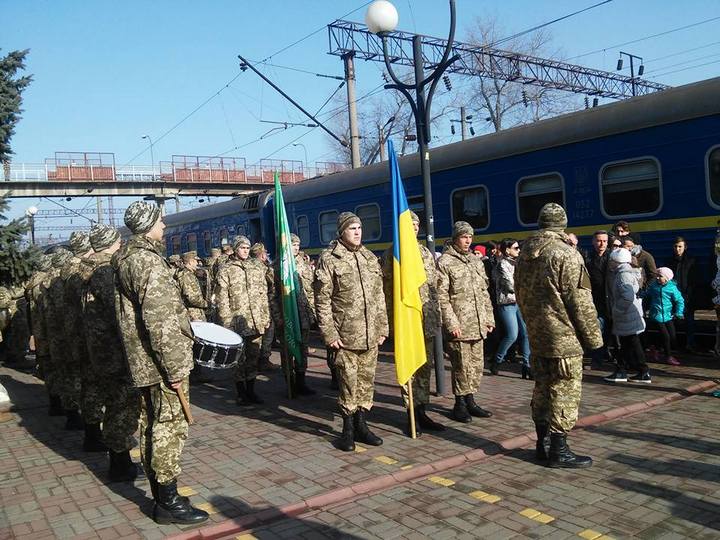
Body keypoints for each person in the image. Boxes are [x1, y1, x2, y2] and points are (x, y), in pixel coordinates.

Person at [114, 201, 208, 525]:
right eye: (160, 221)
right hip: (161, 364)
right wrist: (175, 370)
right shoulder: (148, 263)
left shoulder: (126, 258)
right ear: (148, 224)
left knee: (152, 427)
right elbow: (161, 321)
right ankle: (168, 504)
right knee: (169, 429)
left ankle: (163, 495)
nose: (165, 226)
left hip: (144, 363)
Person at [515, 203, 602, 468]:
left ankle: (541, 444)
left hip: (537, 336)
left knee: (542, 389)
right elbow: (580, 302)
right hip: (563, 338)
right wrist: (594, 340)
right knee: (564, 391)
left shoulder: (525, 254)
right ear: (562, 224)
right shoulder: (565, 254)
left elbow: (520, 295)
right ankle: (559, 450)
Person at [315, 212, 388, 452]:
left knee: (366, 383)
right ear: (341, 232)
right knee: (348, 382)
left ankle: (362, 426)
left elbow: (379, 296)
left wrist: (383, 326)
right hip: (345, 335)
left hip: (370, 334)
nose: (357, 232)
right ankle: (347, 429)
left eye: (359, 227)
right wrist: (329, 334)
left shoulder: (369, 257)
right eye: (352, 228)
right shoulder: (330, 259)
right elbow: (322, 300)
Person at [84, 224, 140, 480]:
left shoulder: (86, 269)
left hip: (98, 349)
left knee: (113, 402)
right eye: (118, 241)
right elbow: (119, 313)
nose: (121, 244)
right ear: (110, 242)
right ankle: (120, 462)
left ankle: (119, 457)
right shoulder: (106, 272)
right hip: (113, 352)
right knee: (121, 406)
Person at [381, 211, 445, 435]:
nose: (415, 228)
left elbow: (433, 286)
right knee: (410, 367)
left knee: (424, 367)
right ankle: (410, 413)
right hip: (406, 319)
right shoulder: (393, 253)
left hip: (425, 318)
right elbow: (388, 290)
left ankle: (421, 410)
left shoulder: (425, 253)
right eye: (410, 224)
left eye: (417, 225)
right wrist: (392, 320)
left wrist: (436, 314)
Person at [437, 221, 495, 423]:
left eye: (470, 236)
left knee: (476, 366)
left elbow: (484, 292)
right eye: (464, 237)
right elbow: (441, 296)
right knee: (461, 366)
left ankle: (471, 400)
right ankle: (459, 403)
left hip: (478, 323)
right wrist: (451, 323)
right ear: (455, 238)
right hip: (460, 324)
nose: (468, 240)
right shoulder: (445, 262)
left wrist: (489, 318)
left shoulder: (475, 260)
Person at [215, 235, 272, 405]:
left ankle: (251, 391)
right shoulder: (226, 269)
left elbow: (263, 294)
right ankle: (241, 393)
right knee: (238, 359)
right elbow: (222, 298)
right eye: (242, 248)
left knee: (253, 356)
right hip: (237, 322)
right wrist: (226, 323)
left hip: (255, 321)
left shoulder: (256, 267)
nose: (245, 251)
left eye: (248, 248)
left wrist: (265, 316)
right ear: (235, 248)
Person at [62, 231, 98, 447]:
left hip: (73, 334)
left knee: (83, 383)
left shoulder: (67, 271)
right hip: (86, 336)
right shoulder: (82, 271)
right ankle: (93, 435)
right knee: (91, 385)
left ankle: (90, 430)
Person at [44, 247, 84, 429]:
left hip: (57, 336)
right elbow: (64, 311)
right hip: (65, 337)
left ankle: (70, 412)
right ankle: (73, 416)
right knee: (71, 378)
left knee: (66, 375)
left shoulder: (51, 280)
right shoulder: (61, 281)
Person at [272, 234, 317, 396]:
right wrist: (278, 318)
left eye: (298, 244)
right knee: (287, 350)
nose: (296, 248)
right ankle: (290, 383)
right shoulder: (277, 267)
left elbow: (310, 289)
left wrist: (313, 313)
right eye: (293, 245)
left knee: (302, 348)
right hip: (287, 316)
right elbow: (272, 296)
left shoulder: (303, 263)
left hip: (303, 314)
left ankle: (301, 381)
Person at [603, 248, 651, 383]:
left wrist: (616, 310)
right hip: (629, 315)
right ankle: (628, 371)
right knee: (628, 344)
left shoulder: (623, 275)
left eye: (612, 260)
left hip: (626, 315)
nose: (610, 262)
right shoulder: (626, 272)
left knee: (631, 343)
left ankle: (638, 371)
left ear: (618, 261)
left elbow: (627, 297)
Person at [489, 238, 531, 379]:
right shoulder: (502, 265)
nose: (519, 250)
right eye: (516, 248)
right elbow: (509, 285)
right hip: (507, 303)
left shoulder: (519, 263)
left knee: (525, 333)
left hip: (520, 302)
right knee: (512, 335)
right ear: (507, 250)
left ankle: (527, 365)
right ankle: (497, 360)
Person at [24, 255, 61, 415]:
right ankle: (63, 407)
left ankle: (54, 404)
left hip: (40, 333)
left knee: (48, 369)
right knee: (59, 370)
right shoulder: (46, 283)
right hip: (51, 332)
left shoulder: (33, 284)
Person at [645, 267, 684, 366]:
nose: (657, 278)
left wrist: (679, 312)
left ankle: (655, 349)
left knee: (672, 335)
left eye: (660, 276)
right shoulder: (654, 286)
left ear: (667, 278)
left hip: (667, 315)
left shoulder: (672, 288)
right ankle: (668, 356)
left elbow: (679, 300)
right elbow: (646, 295)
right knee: (666, 336)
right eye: (657, 276)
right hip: (656, 315)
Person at [585, 230, 612, 369]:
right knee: (598, 329)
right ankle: (597, 359)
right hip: (596, 300)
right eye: (599, 241)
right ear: (593, 242)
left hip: (611, 300)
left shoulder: (612, 258)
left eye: (604, 241)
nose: (602, 244)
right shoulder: (588, 258)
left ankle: (606, 354)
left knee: (609, 331)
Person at [667, 237, 699, 351]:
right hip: (673, 296)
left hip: (687, 295)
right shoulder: (670, 262)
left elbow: (694, 279)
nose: (677, 249)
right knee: (672, 321)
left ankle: (690, 343)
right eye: (675, 246)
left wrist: (689, 294)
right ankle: (674, 343)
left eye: (680, 246)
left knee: (689, 321)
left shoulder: (691, 261)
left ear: (685, 247)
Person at [252, 242, 277, 372]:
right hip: (265, 304)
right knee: (268, 332)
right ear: (262, 255)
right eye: (265, 253)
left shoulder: (249, 267)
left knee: (257, 334)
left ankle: (255, 360)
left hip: (254, 306)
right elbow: (271, 283)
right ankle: (264, 360)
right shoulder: (264, 268)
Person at [176, 251, 208, 321]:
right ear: (190, 262)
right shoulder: (186, 275)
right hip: (192, 313)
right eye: (196, 261)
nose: (197, 263)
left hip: (195, 311)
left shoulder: (190, 274)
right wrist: (206, 304)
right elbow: (191, 297)